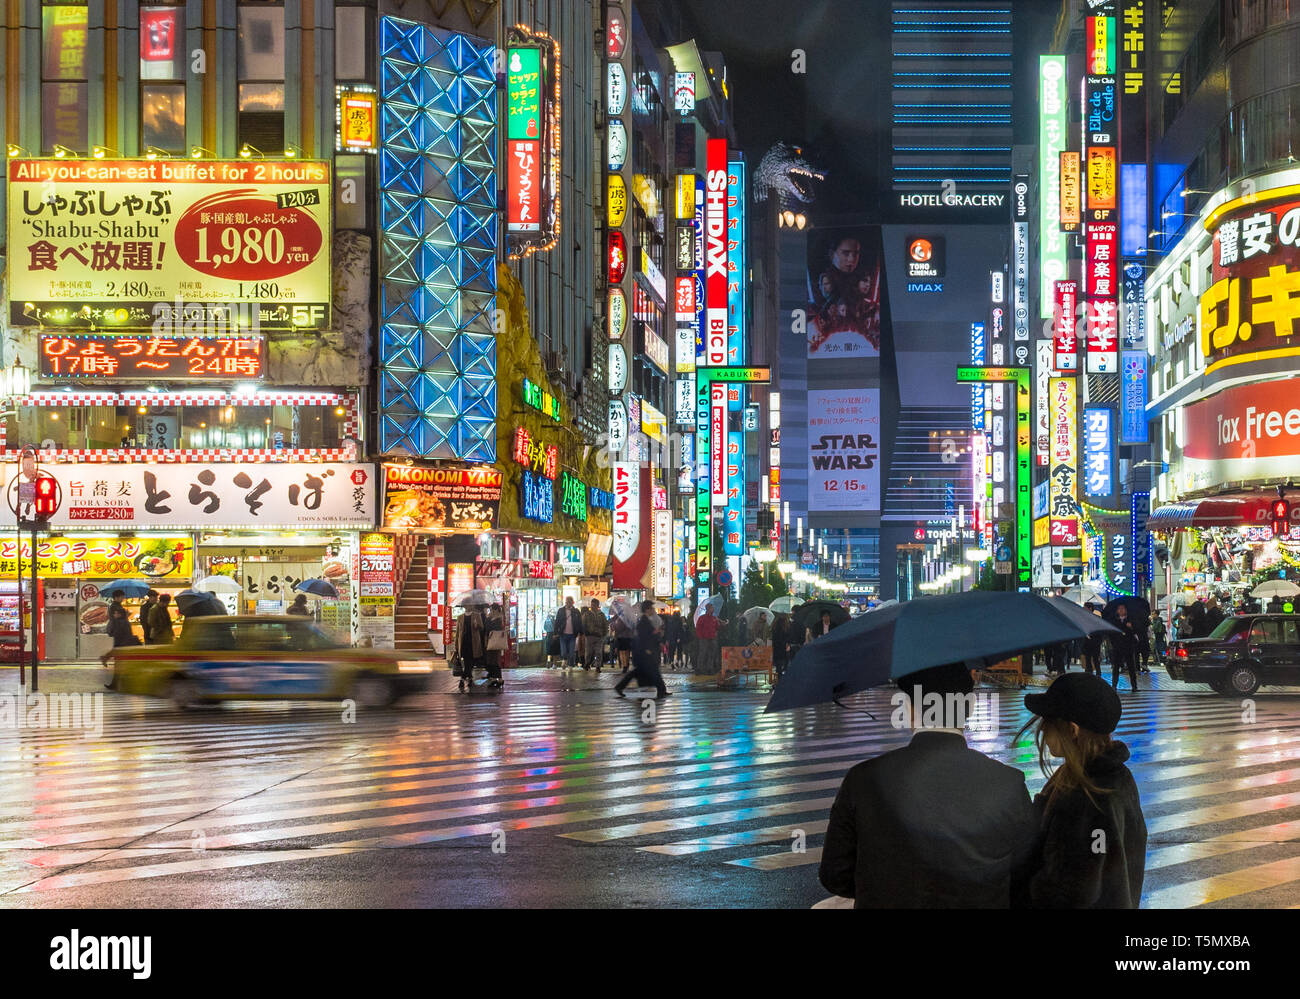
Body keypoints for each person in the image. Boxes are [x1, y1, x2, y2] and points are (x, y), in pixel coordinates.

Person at [819, 663, 1039, 907]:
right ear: (969, 708)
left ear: (908, 708)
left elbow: (835, 875)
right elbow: (1025, 876)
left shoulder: (863, 779)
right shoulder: (1008, 782)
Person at [1016, 673, 1147, 908]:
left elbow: (1071, 891)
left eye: (1048, 725)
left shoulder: (1085, 797)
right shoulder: (1118, 777)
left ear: (1072, 730)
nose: (1044, 734)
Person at [615, 600, 670, 699]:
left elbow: (647, 635)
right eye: (651, 608)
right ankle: (662, 690)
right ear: (647, 609)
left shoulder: (646, 620)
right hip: (644, 652)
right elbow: (644, 637)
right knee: (652, 671)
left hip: (643, 652)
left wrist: (656, 633)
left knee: (638, 672)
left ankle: (620, 687)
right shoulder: (644, 621)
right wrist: (648, 647)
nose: (653, 610)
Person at [454, 606, 487, 692]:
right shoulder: (460, 617)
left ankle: (463, 679)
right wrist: (456, 645)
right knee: (466, 661)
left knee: (471, 661)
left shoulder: (477, 615)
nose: (467, 607)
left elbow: (482, 628)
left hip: (473, 643)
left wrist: (477, 625)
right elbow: (458, 632)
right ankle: (470, 678)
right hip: (463, 642)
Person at [1108, 604, 1139, 692]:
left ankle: (1134, 686)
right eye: (1119, 609)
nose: (1121, 610)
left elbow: (1136, 632)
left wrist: (1131, 627)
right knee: (1116, 666)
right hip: (1117, 647)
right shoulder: (1114, 621)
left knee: (1131, 667)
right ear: (1117, 611)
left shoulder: (1130, 620)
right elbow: (1111, 634)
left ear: (1126, 610)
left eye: (1123, 609)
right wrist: (1114, 643)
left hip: (1128, 646)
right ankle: (1114, 685)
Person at [694, 604, 724, 675]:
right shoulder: (702, 618)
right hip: (704, 639)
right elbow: (698, 628)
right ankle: (700, 668)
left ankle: (709, 668)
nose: (713, 609)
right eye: (712, 608)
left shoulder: (714, 618)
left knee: (711, 654)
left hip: (712, 638)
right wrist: (701, 636)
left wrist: (721, 624)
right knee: (703, 653)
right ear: (708, 609)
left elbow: (717, 627)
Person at [552, 596, 582, 670]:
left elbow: (579, 622)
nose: (568, 603)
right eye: (567, 602)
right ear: (565, 602)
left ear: (572, 602)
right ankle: (564, 661)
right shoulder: (561, 610)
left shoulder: (576, 611)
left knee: (571, 652)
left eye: (570, 602)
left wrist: (580, 632)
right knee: (564, 651)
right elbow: (557, 622)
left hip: (573, 634)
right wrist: (555, 633)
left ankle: (570, 664)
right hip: (563, 634)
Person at [581, 599, 609, 673]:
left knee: (598, 652)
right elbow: (583, 624)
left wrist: (604, 634)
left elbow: (605, 625)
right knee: (589, 652)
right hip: (589, 636)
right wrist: (585, 633)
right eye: (592, 604)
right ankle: (587, 663)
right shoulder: (587, 614)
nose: (592, 606)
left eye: (594, 605)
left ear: (597, 605)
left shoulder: (601, 615)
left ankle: (598, 666)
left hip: (599, 636)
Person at [483, 604, 505, 688]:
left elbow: (492, 629)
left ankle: (499, 679)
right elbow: (486, 629)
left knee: (495, 661)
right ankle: (494, 679)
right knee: (490, 661)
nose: (490, 612)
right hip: (489, 642)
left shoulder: (499, 619)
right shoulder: (490, 618)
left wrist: (488, 619)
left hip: (495, 643)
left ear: (495, 610)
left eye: (491, 610)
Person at [1081, 609, 1104, 677]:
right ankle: (1090, 673)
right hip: (1088, 644)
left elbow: (1100, 636)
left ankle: (1097, 673)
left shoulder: (1099, 624)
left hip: (1095, 645)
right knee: (1089, 660)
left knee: (1095, 660)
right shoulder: (1088, 622)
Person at [610, 609, 634, 674]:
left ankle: (625, 666)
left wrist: (612, 624)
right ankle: (626, 665)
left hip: (622, 637)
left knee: (622, 653)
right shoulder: (630, 618)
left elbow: (618, 627)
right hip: (629, 637)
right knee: (627, 652)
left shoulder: (622, 618)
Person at [771, 612, 792, 677]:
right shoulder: (786, 627)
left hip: (776, 648)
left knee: (778, 665)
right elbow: (788, 637)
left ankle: (778, 677)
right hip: (783, 647)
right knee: (785, 663)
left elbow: (773, 637)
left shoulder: (774, 626)